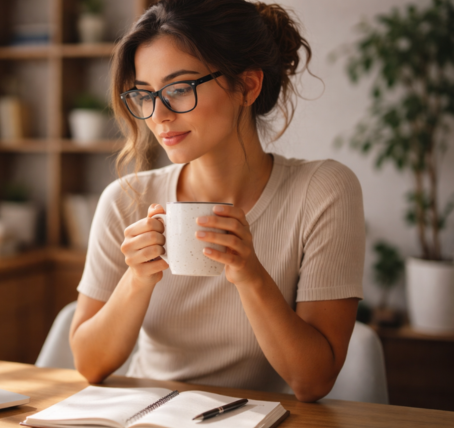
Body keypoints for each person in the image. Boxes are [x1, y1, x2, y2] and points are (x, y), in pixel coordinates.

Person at [69, 0, 365, 403]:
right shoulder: (126, 200)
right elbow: (89, 364)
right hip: (147, 415)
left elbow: (313, 381)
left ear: (247, 86)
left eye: (178, 88)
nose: (158, 115)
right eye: (144, 95)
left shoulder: (322, 191)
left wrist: (250, 273)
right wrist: (137, 279)